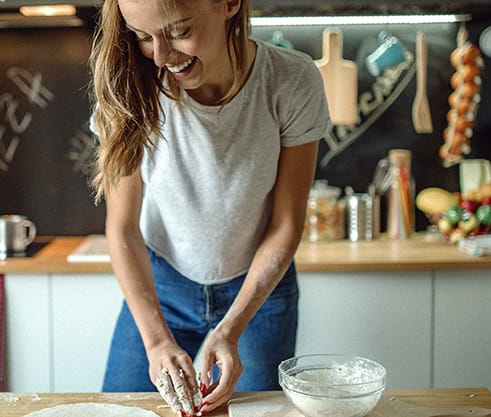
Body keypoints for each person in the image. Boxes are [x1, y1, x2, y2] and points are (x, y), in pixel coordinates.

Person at [88, 0, 330, 415]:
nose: (162, 57)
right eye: (144, 37)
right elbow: (123, 229)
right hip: (161, 284)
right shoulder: (131, 86)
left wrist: (233, 327)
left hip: (259, 292)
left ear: (229, 4)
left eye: (179, 31)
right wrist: (157, 341)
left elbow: (287, 223)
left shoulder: (290, 80)